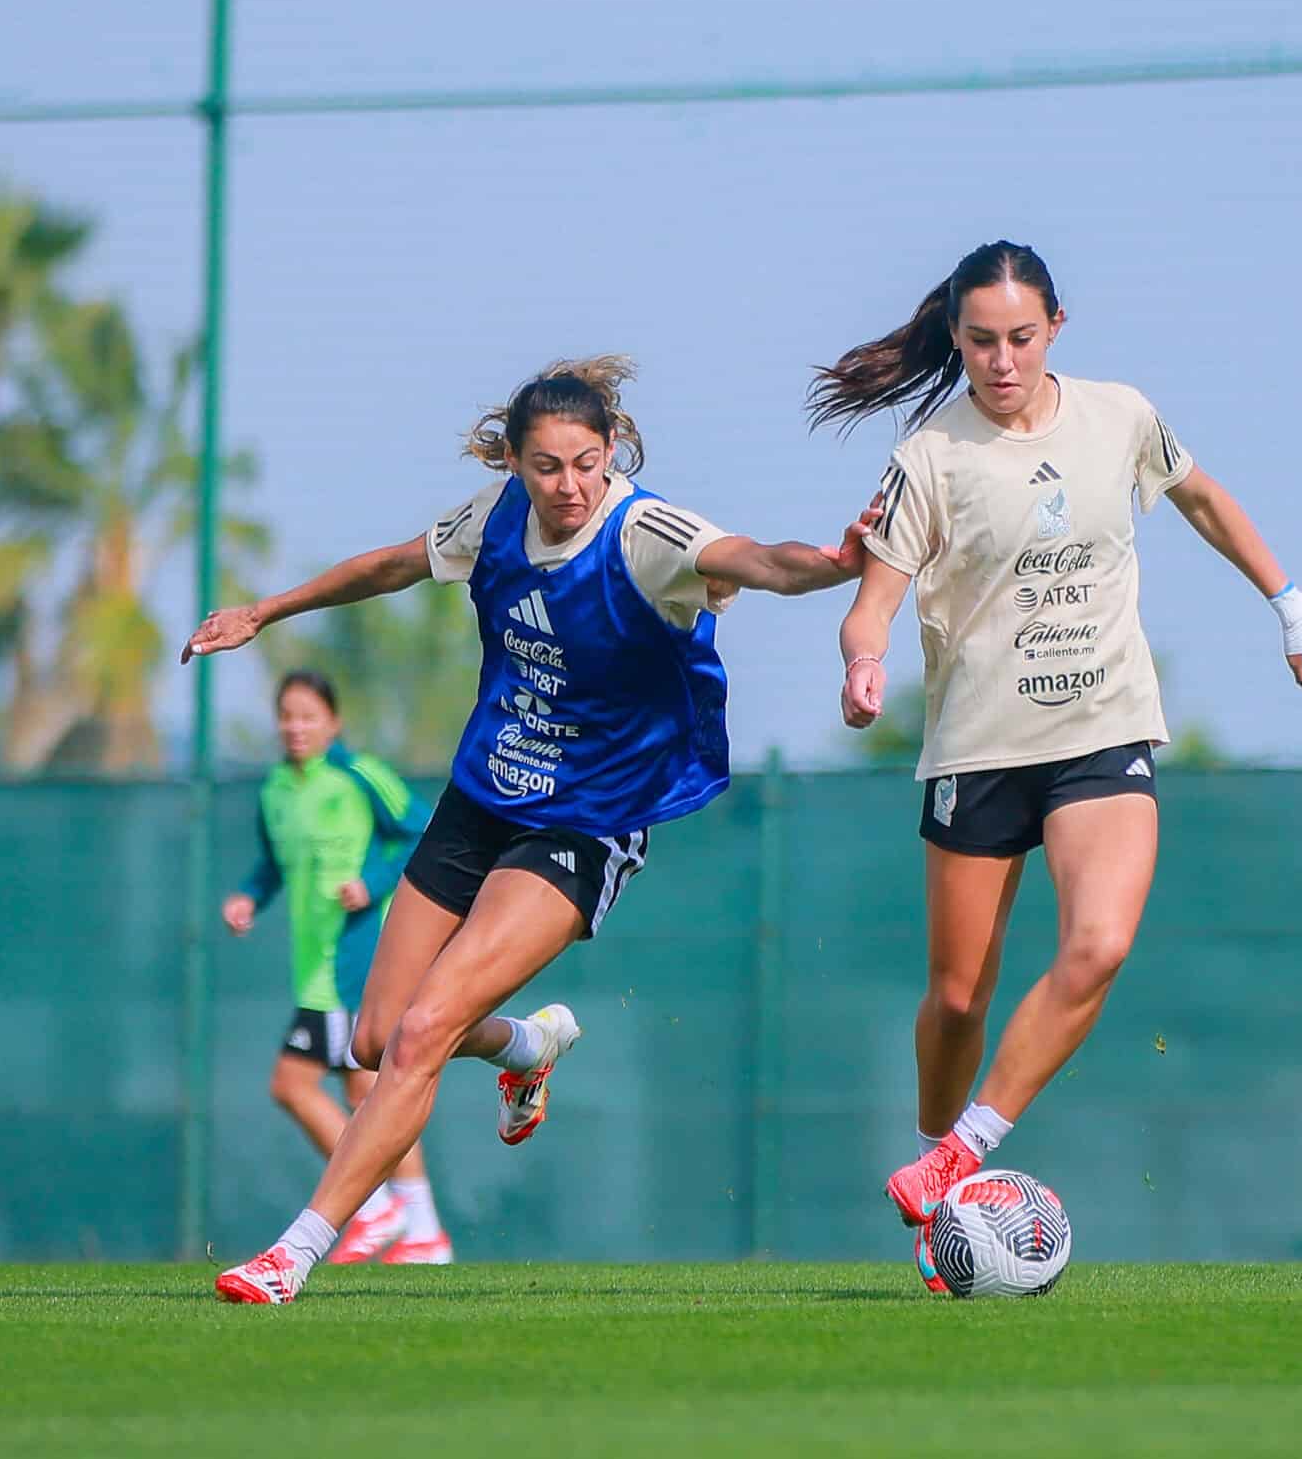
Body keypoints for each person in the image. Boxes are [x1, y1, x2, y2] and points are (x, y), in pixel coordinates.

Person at [183, 356, 876, 1303]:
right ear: (514, 463)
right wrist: (265, 611)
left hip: (588, 818)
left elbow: (755, 560)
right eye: (547, 466)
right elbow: (390, 564)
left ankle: (293, 1251)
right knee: (378, 1040)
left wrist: (835, 566)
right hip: (483, 797)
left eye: (587, 462)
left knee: (427, 1027)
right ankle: (522, 1046)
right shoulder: (494, 516)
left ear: (612, 451)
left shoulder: (644, 532)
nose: (570, 485)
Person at [810, 240, 1302, 1274]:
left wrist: (1290, 603)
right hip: (978, 746)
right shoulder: (930, 456)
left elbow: (1203, 499)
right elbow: (869, 601)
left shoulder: (1119, 416)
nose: (1000, 360)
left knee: (1098, 944)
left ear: (1055, 325)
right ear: (954, 339)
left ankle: (961, 1150)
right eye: (978, 342)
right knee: (958, 995)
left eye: (1018, 337)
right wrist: (864, 665)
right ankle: (936, 1159)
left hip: (1102, 731)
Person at [224, 668, 451, 1265]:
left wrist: (373, 883)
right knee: (366, 1088)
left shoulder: (359, 775)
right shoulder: (275, 788)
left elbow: (427, 828)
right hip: (314, 965)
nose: (296, 727)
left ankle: (381, 1208)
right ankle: (422, 1229)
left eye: (308, 716)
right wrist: (249, 896)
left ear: (334, 721)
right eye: (287, 716)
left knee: (300, 1082)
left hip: (358, 960)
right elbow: (273, 864)